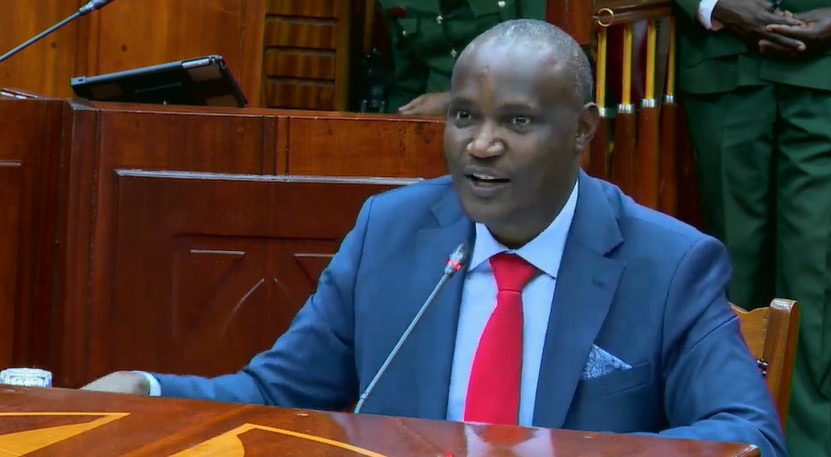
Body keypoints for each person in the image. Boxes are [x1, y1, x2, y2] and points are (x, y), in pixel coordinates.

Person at [82, 19, 786, 457]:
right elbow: (277, 392)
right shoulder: (389, 232)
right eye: (462, 117)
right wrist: (145, 387)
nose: (480, 145)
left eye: (516, 123)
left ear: (581, 132)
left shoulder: (667, 262)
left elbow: (748, 435)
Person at [671, 0, 831, 456]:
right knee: (731, 281)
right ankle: (735, 445)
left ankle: (809, 449)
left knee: (814, 280)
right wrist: (716, 5)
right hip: (723, 58)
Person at [378, 0, 545, 115]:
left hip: (511, 119)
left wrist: (454, 102)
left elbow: (544, 70)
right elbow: (407, 83)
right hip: (430, 127)